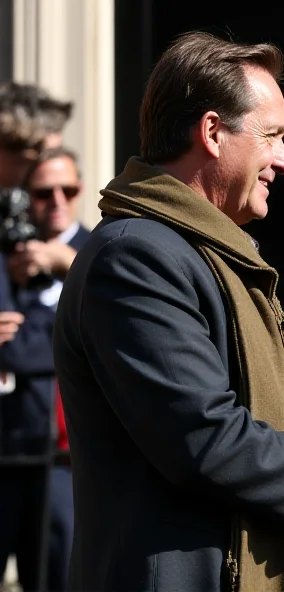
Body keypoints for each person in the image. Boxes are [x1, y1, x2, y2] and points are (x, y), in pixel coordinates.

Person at [51, 31, 284, 591]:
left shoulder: (202, 251)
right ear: (213, 132)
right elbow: (203, 437)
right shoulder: (137, 256)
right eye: (272, 137)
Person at [0, 82, 77, 592]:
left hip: (58, 456)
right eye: (39, 153)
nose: (44, 178)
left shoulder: (74, 249)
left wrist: (67, 263)